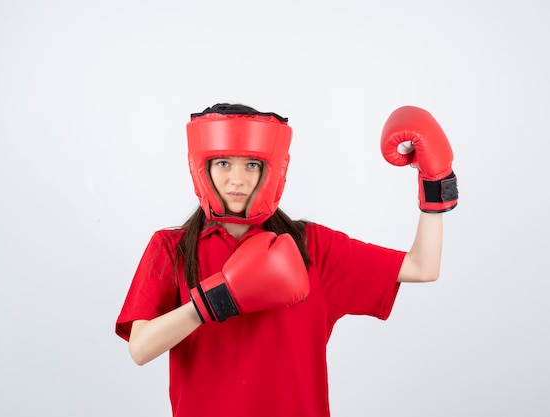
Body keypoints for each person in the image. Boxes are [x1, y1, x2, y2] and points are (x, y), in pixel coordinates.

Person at [115, 103, 458, 417]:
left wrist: (436, 183)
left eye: (252, 164)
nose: (238, 179)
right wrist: (216, 299)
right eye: (223, 163)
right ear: (201, 166)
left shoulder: (313, 246)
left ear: (273, 168)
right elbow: (140, 349)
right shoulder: (171, 247)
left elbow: (422, 267)